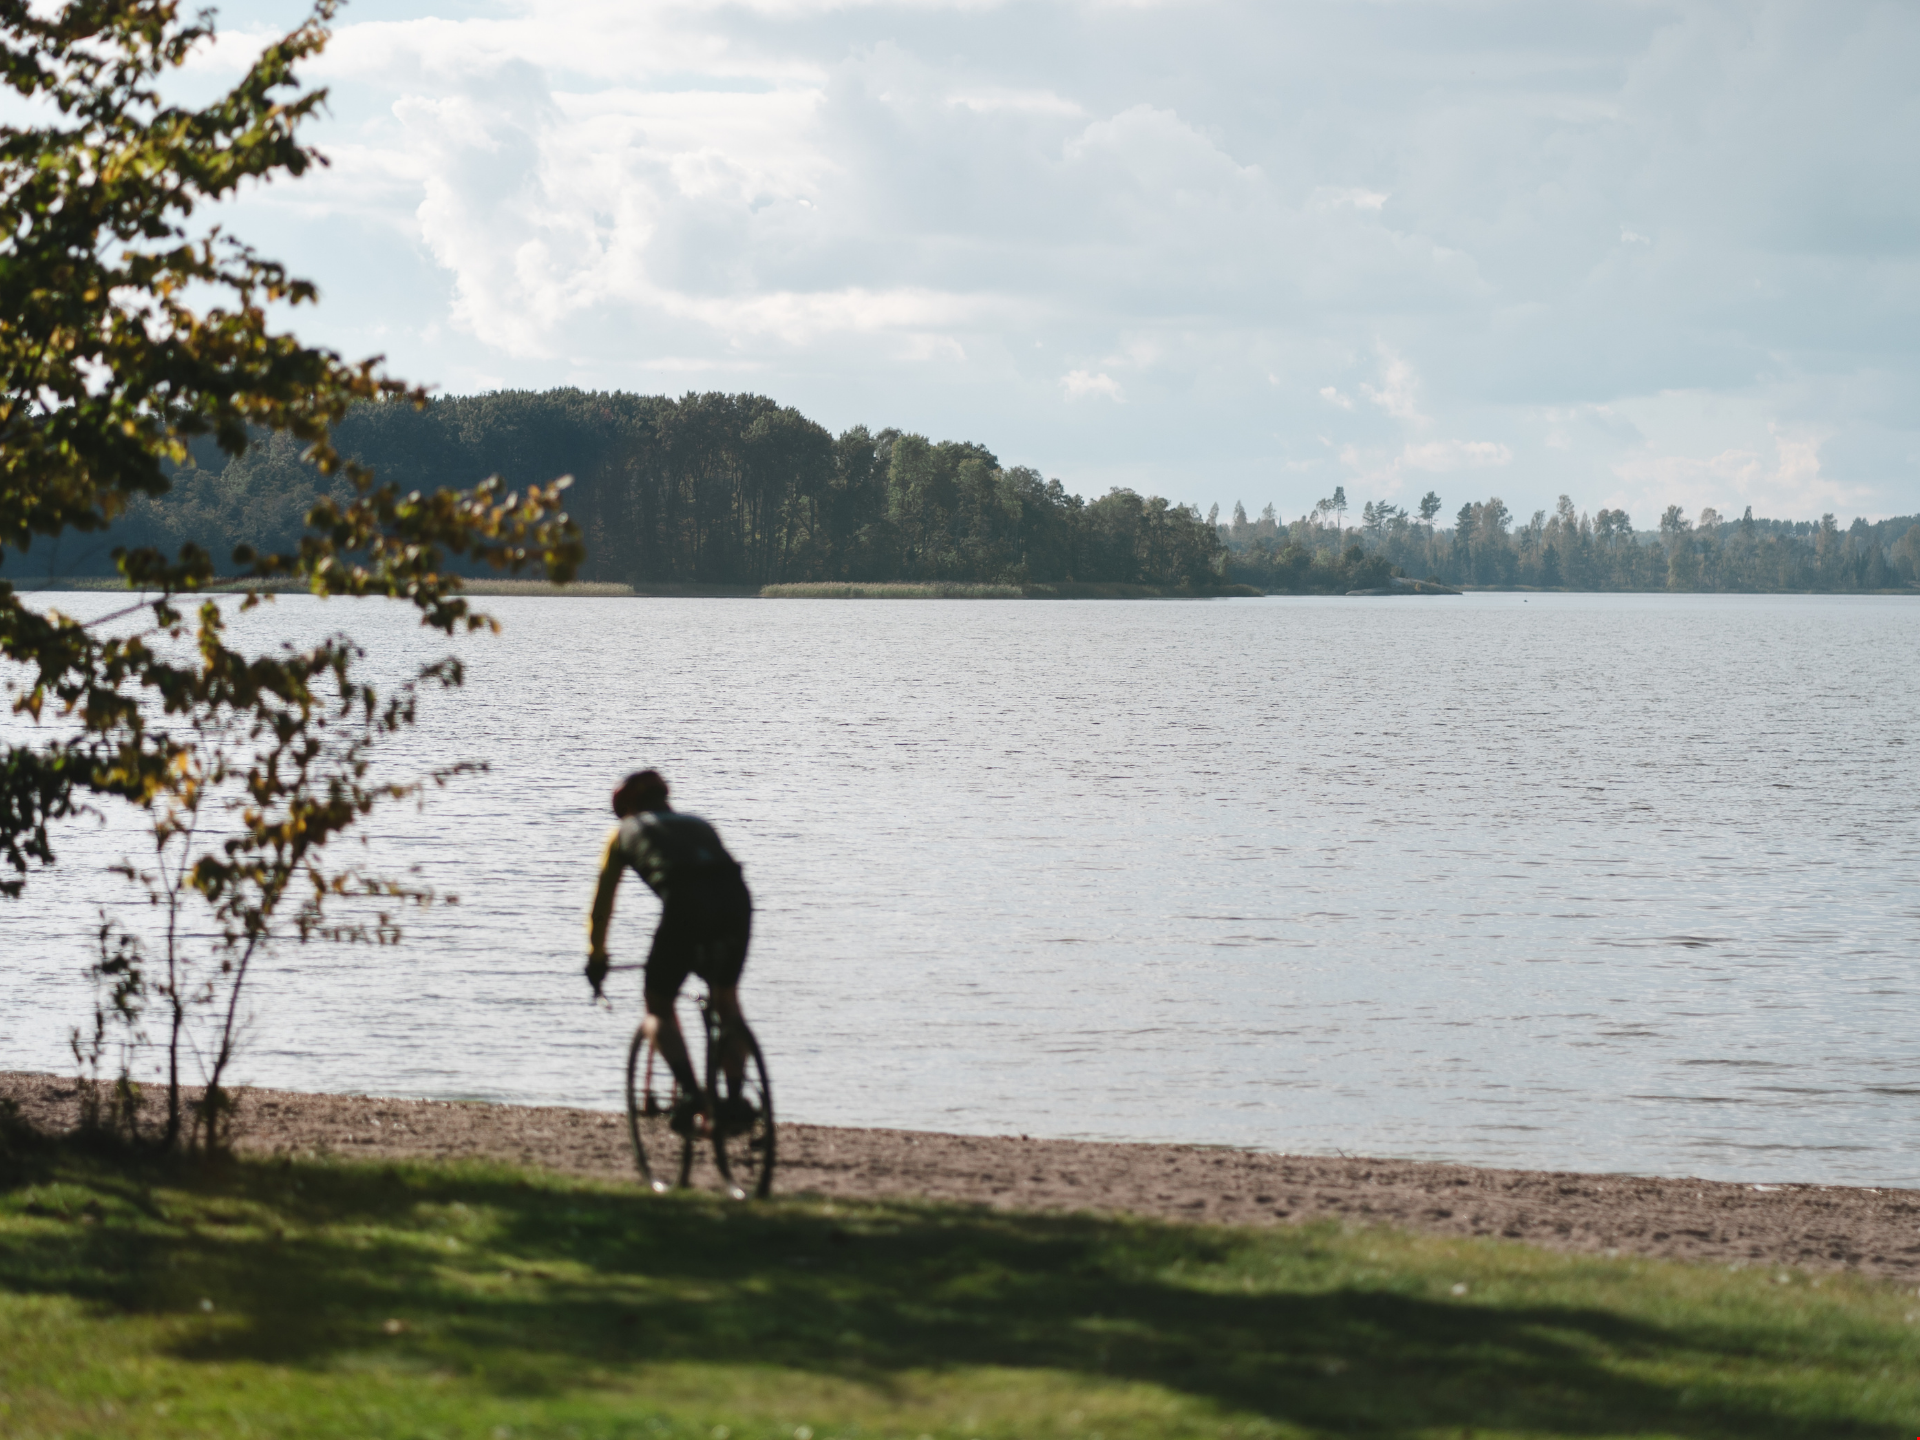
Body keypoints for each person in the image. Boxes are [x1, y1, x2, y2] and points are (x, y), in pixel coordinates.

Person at [586, 770, 753, 1134]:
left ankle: (693, 1095)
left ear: (626, 808)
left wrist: (597, 958)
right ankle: (735, 1100)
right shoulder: (697, 823)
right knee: (725, 999)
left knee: (658, 1005)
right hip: (737, 903)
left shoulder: (622, 833)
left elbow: (602, 905)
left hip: (685, 905)